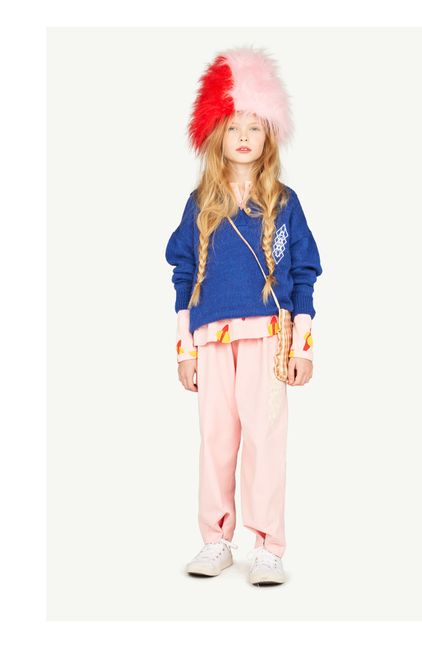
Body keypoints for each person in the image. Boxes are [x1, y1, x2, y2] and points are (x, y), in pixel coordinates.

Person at [165, 46, 323, 586]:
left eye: (254, 127)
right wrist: (185, 351)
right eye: (233, 126)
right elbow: (183, 276)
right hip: (212, 339)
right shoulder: (199, 204)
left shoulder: (284, 202)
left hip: (269, 338)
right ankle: (216, 540)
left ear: (269, 137)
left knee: (265, 439)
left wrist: (301, 346)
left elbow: (304, 272)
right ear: (217, 134)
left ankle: (267, 546)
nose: (243, 136)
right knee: (216, 439)